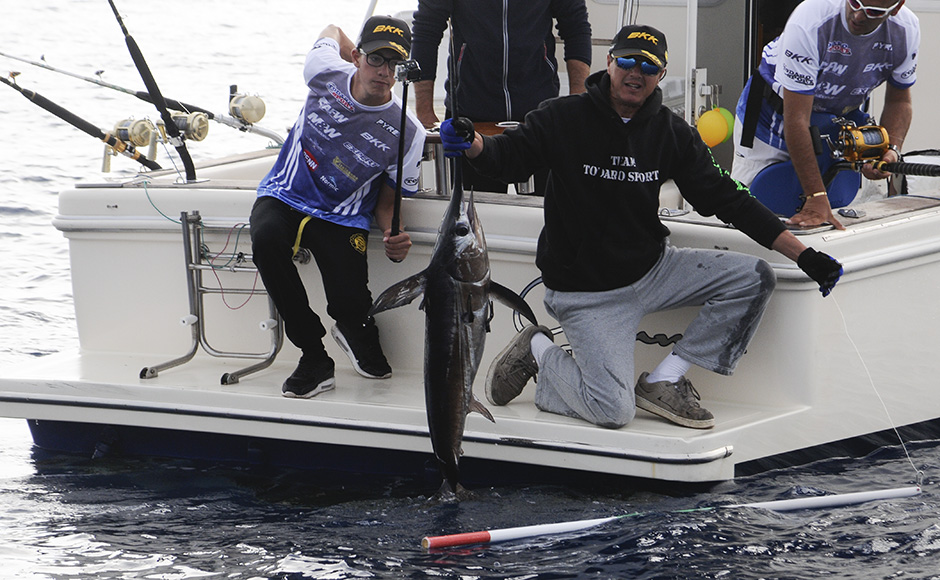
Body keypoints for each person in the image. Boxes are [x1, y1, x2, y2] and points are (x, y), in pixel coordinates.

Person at [439, 24, 843, 430]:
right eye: (628, 61)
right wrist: (472, 142)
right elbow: (506, 157)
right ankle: (540, 348)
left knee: (755, 276)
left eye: (649, 66)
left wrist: (806, 256)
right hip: (586, 292)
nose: (636, 73)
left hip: (653, 270)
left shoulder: (673, 133)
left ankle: (664, 381)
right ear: (610, 62)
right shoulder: (562, 116)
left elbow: (729, 198)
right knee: (612, 412)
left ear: (661, 76)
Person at [250, 16, 426, 399]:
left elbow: (388, 199)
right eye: (376, 60)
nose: (384, 72)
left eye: (394, 65)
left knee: (350, 303)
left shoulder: (409, 133)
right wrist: (346, 42)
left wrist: (394, 233)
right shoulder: (323, 70)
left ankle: (354, 327)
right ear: (357, 57)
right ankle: (313, 356)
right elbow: (329, 29)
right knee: (265, 238)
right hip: (284, 193)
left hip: (343, 214)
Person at [731, 0, 920, 230]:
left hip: (836, 118)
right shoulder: (810, 21)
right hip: (772, 118)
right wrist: (815, 195)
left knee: (832, 211)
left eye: (872, 12)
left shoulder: (906, 30)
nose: (858, 16)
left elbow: (899, 100)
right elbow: (797, 119)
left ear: (896, 8)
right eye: (855, 2)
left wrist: (891, 150)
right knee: (751, 210)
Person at [410, 0, 592, 194]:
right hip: (471, 119)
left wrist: (577, 104)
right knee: (475, 215)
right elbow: (426, 30)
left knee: (542, 216)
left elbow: (575, 26)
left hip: (538, 119)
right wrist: (424, 112)